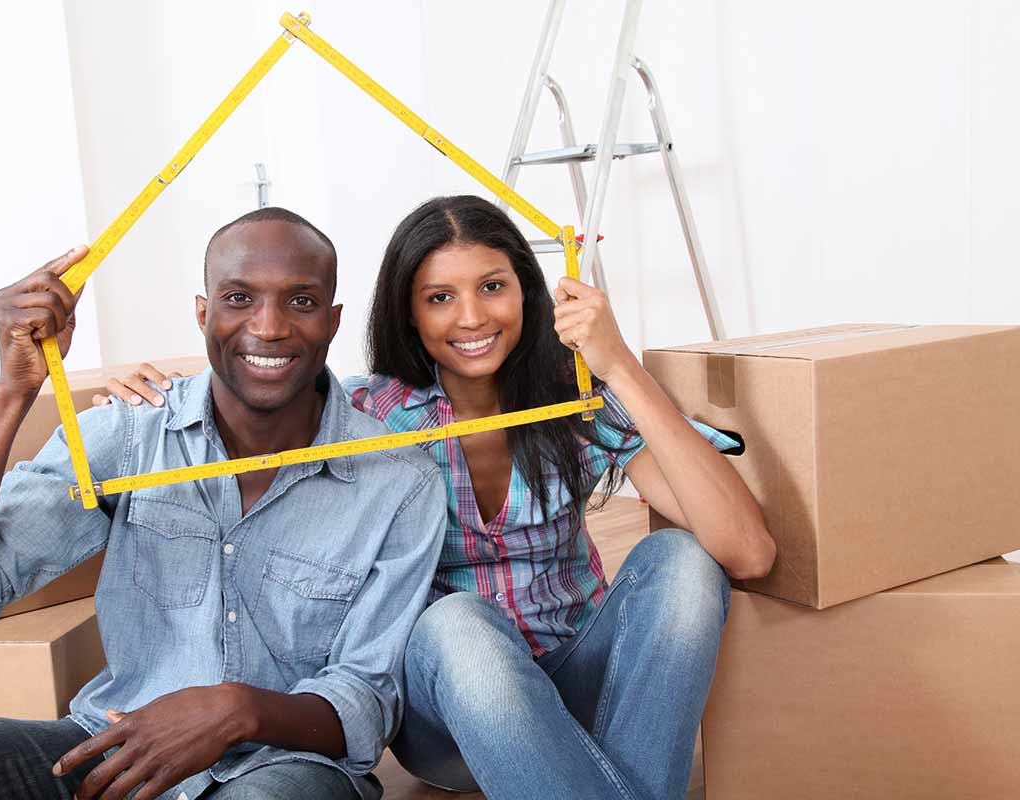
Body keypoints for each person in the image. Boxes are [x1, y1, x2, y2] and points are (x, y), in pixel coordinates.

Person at [100, 195, 777, 799]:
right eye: (440, 297)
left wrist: (619, 365)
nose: (472, 316)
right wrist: (147, 401)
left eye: (492, 287)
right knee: (458, 621)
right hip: (446, 711)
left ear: (528, 295)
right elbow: (256, 370)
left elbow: (745, 553)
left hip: (576, 685)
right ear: (409, 312)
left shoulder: (575, 405)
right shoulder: (367, 414)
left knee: (682, 560)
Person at [0, 209, 448, 800]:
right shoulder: (128, 433)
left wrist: (234, 710)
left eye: (301, 301)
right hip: (111, 751)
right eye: (238, 298)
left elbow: (366, 703)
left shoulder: (399, 478)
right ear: (202, 314)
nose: (269, 326)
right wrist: (15, 390)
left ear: (333, 321)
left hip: (284, 769)